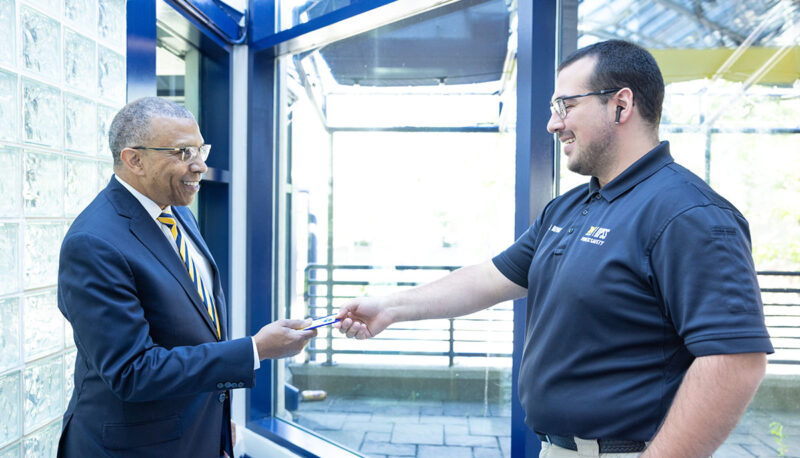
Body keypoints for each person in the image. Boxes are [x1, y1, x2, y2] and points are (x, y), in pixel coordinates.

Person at [335, 40, 773, 457]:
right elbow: (490, 277)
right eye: (553, 108)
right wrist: (391, 308)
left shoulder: (688, 214)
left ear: (621, 105)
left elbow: (735, 361)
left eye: (566, 105)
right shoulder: (572, 206)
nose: (553, 123)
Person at [57, 97, 316, 457]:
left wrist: (214, 429)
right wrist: (255, 349)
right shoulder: (93, 243)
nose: (200, 166)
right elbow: (133, 372)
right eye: (182, 153)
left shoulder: (175, 211)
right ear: (134, 160)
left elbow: (189, 334)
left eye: (200, 149)